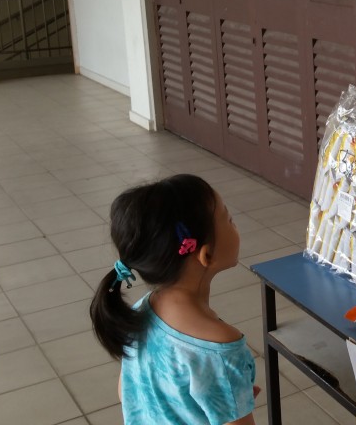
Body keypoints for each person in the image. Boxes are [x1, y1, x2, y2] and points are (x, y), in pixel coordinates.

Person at [89, 174, 257, 425]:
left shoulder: (140, 311)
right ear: (206, 255)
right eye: (229, 219)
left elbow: (127, 392)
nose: (235, 225)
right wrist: (227, 390)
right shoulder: (218, 349)